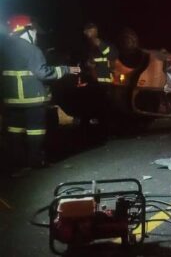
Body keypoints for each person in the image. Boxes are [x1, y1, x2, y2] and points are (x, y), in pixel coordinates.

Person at [0, 14, 80, 175]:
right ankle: (36, 161)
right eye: (34, 31)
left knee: (14, 130)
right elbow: (42, 73)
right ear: (26, 30)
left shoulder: (4, 47)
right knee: (36, 130)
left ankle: (17, 164)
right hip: (32, 98)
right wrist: (66, 69)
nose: (36, 34)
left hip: (11, 100)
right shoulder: (30, 49)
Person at [80, 23, 118, 129]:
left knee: (106, 104)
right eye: (85, 31)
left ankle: (107, 126)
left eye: (89, 30)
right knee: (90, 104)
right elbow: (81, 61)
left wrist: (100, 45)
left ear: (95, 30)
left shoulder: (106, 44)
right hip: (91, 82)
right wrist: (86, 63)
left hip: (105, 82)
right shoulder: (85, 47)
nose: (86, 33)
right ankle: (87, 126)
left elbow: (112, 55)